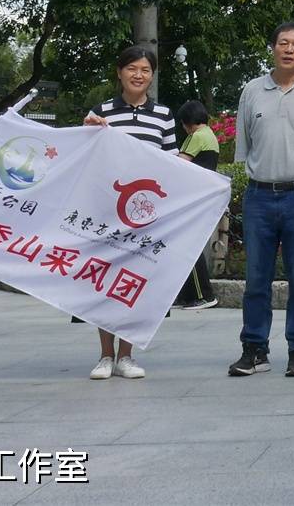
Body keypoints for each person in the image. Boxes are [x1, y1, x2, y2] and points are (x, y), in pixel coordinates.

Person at [228, 22, 294, 378]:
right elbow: (244, 148)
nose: (289, 49)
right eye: (283, 43)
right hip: (259, 196)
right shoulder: (252, 91)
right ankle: (254, 348)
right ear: (272, 47)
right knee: (255, 279)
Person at [81, 45, 178, 380]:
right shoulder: (102, 112)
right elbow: (88, 158)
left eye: (145, 70)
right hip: (107, 213)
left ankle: (127, 355)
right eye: (132, 69)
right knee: (104, 281)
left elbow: (172, 163)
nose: (139, 75)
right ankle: (105, 355)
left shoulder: (164, 115)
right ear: (119, 72)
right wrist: (87, 130)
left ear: (152, 75)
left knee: (134, 283)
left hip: (145, 217)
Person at [172, 99, 222, 311]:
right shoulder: (210, 134)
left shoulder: (197, 136)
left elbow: (179, 163)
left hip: (192, 198)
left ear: (186, 122)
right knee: (184, 245)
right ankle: (186, 295)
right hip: (202, 197)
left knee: (188, 247)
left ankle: (203, 295)